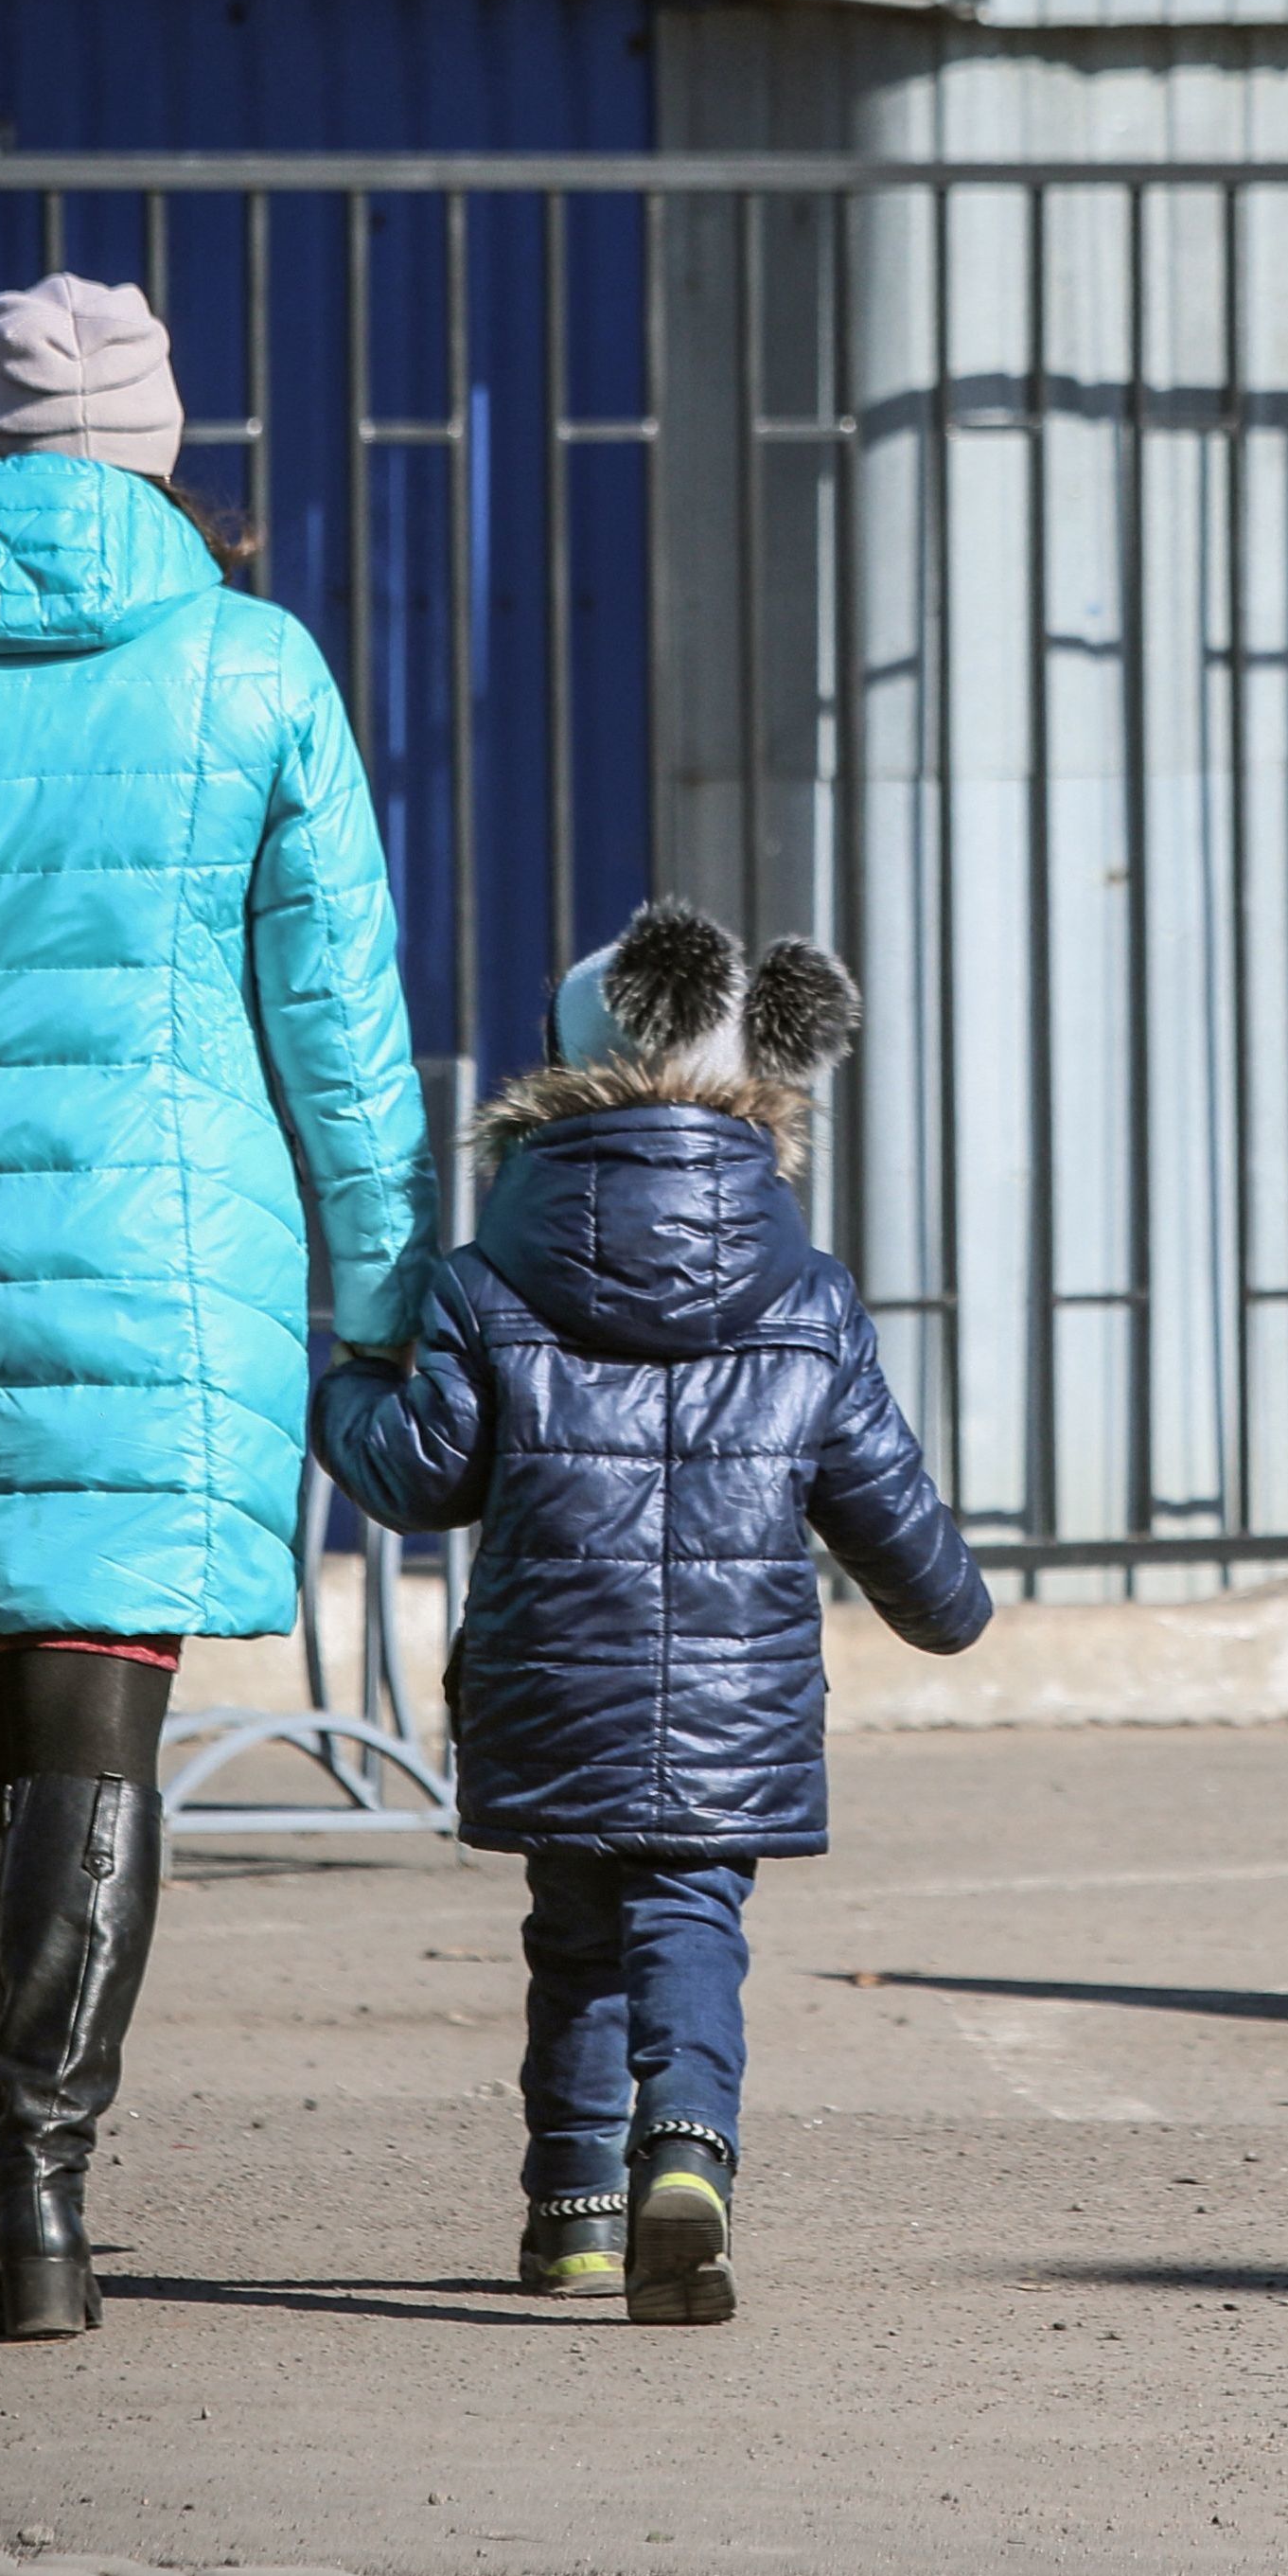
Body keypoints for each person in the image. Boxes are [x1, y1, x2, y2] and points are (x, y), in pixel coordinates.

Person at [0, 273, 433, 2342]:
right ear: (161, 449)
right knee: (100, 1719)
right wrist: (376, 1295)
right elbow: (342, 1032)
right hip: (178, 1263)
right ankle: (49, 2179)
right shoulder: (257, 668)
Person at [311, 897, 989, 2325]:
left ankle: (570, 2216)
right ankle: (684, 2148)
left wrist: (341, 1385)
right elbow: (883, 1502)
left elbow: (420, 1476)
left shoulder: (488, 1282)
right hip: (735, 1705)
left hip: (551, 1685)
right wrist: (947, 1606)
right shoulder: (806, 1295)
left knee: (571, 1933)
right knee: (690, 1913)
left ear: (555, 1083)